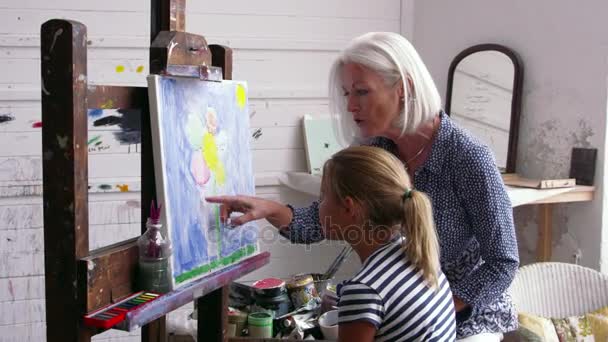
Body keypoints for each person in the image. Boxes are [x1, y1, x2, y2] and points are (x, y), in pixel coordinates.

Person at [207, 31, 519, 341]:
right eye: (346, 94)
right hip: (402, 314)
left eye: (362, 92)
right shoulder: (377, 149)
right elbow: (330, 219)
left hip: (465, 318)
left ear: (404, 87)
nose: (351, 106)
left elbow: (503, 263)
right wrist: (270, 210)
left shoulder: (467, 157)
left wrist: (429, 313)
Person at [321, 146, 456, 341]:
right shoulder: (415, 252)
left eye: (323, 195)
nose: (320, 204)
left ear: (349, 208)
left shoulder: (364, 290)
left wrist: (353, 308)